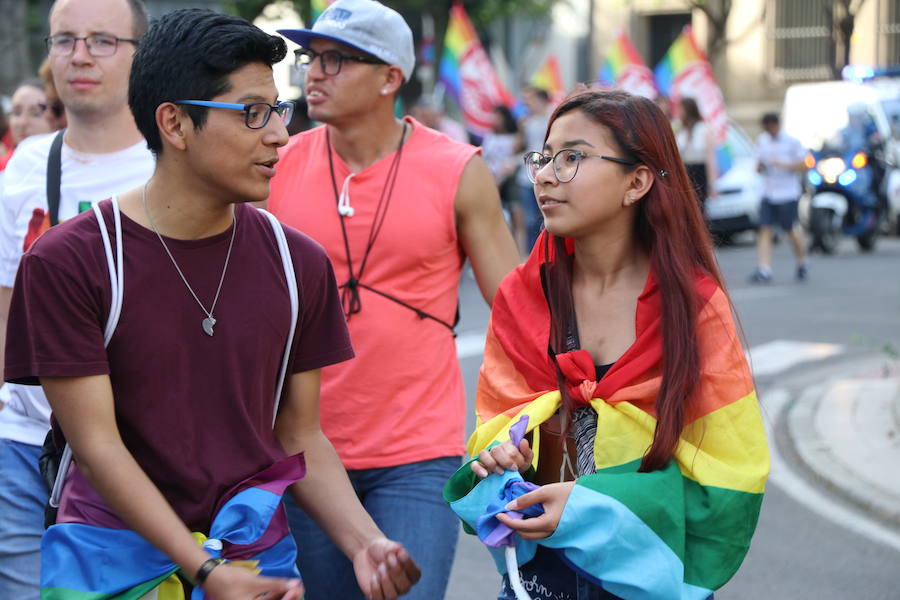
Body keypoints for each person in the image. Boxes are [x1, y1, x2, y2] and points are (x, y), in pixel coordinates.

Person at [5, 8, 420, 600]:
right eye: (253, 113)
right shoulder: (72, 260)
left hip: (256, 563)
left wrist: (364, 542)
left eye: (278, 110)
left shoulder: (297, 263)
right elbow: (97, 451)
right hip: (111, 566)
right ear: (174, 123)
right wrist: (201, 570)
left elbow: (299, 433)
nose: (280, 132)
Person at [443, 89, 769, 600]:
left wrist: (592, 503)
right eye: (544, 157)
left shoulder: (695, 308)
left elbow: (729, 474)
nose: (545, 176)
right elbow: (497, 422)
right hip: (540, 573)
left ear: (636, 181)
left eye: (572, 157)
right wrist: (503, 456)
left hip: (645, 571)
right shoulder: (524, 295)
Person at [269, 1, 519, 598]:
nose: (315, 73)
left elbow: (517, 313)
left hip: (417, 453)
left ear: (390, 78)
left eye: (336, 60)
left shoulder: (457, 169)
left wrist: (521, 423)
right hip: (302, 451)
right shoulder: (274, 167)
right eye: (312, 58)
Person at [0, 0, 155, 597]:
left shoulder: (169, 165)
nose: (79, 56)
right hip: (23, 449)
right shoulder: (29, 164)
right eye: (64, 40)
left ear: (140, 57)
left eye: (101, 41)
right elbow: (9, 299)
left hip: (131, 455)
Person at [749, 113, 809, 283]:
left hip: (787, 193)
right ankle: (764, 268)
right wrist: (761, 167)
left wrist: (783, 164)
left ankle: (802, 260)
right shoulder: (762, 140)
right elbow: (758, 164)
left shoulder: (792, 142)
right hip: (768, 192)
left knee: (789, 229)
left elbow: (804, 164)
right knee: (764, 229)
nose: (770, 132)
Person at [515, 86, 553, 252]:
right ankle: (532, 254)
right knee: (529, 219)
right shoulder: (527, 122)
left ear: (542, 100)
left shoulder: (552, 118)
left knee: (544, 217)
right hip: (527, 175)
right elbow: (521, 147)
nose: (528, 104)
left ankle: (545, 251)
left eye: (531, 99)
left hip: (546, 173)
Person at [481, 104, 523, 250]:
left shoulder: (516, 136)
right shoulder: (490, 136)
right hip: (492, 179)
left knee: (516, 210)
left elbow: (518, 155)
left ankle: (520, 248)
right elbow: (484, 157)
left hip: (510, 178)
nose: (494, 119)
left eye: (498, 116)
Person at [0, 79, 57, 171]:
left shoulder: (69, 167)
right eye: (17, 113)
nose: (23, 122)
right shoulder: (3, 168)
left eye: (36, 114)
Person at [676, 96, 718, 207]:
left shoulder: (704, 129)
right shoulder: (681, 132)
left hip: (699, 172)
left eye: (681, 109)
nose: (678, 112)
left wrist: (712, 184)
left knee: (699, 208)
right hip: (685, 172)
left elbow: (710, 158)